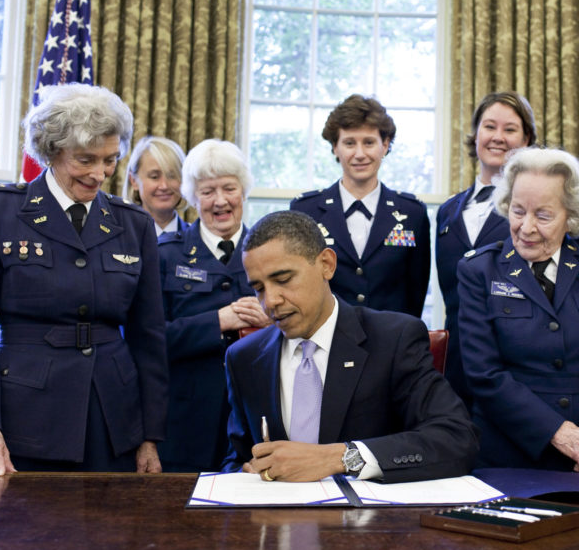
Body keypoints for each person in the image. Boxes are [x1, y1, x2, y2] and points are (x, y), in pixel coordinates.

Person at [0, 84, 168, 476]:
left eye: (111, 160)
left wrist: (149, 436)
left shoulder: (134, 225)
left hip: (113, 422)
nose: (99, 174)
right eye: (85, 159)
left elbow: (148, 338)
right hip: (23, 420)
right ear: (51, 149)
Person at [222, 210, 478, 483]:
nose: (270, 300)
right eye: (258, 288)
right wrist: (244, 471)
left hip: (368, 521)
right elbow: (235, 459)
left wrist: (340, 458)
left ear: (326, 264)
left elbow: (456, 439)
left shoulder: (394, 339)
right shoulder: (244, 357)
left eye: (283, 279)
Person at [457, 147, 579, 473]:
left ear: (571, 214)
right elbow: (484, 375)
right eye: (517, 210)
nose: (525, 228)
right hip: (509, 452)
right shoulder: (479, 270)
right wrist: (561, 433)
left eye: (543, 215)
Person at [156, 139, 271, 472]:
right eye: (207, 191)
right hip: (184, 422)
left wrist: (273, 319)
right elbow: (149, 339)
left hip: (254, 421)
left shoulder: (271, 251)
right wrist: (218, 320)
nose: (220, 201)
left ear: (244, 191)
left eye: (229, 188)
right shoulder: (165, 253)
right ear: (193, 197)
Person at [436, 91, 537, 408]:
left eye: (510, 129)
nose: (498, 137)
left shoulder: (536, 209)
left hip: (516, 371)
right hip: (455, 372)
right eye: (489, 127)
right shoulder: (447, 211)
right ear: (475, 134)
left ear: (526, 139)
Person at [290, 94, 430, 318]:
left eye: (369, 142)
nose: (359, 154)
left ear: (385, 145)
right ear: (335, 147)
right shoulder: (305, 211)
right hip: (326, 340)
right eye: (349, 143)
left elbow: (415, 293)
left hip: (392, 341)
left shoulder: (412, 213)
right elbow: (299, 283)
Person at [123, 135, 189, 236]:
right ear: (133, 181)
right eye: (154, 177)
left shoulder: (199, 241)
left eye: (171, 176)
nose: (164, 186)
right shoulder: (117, 238)